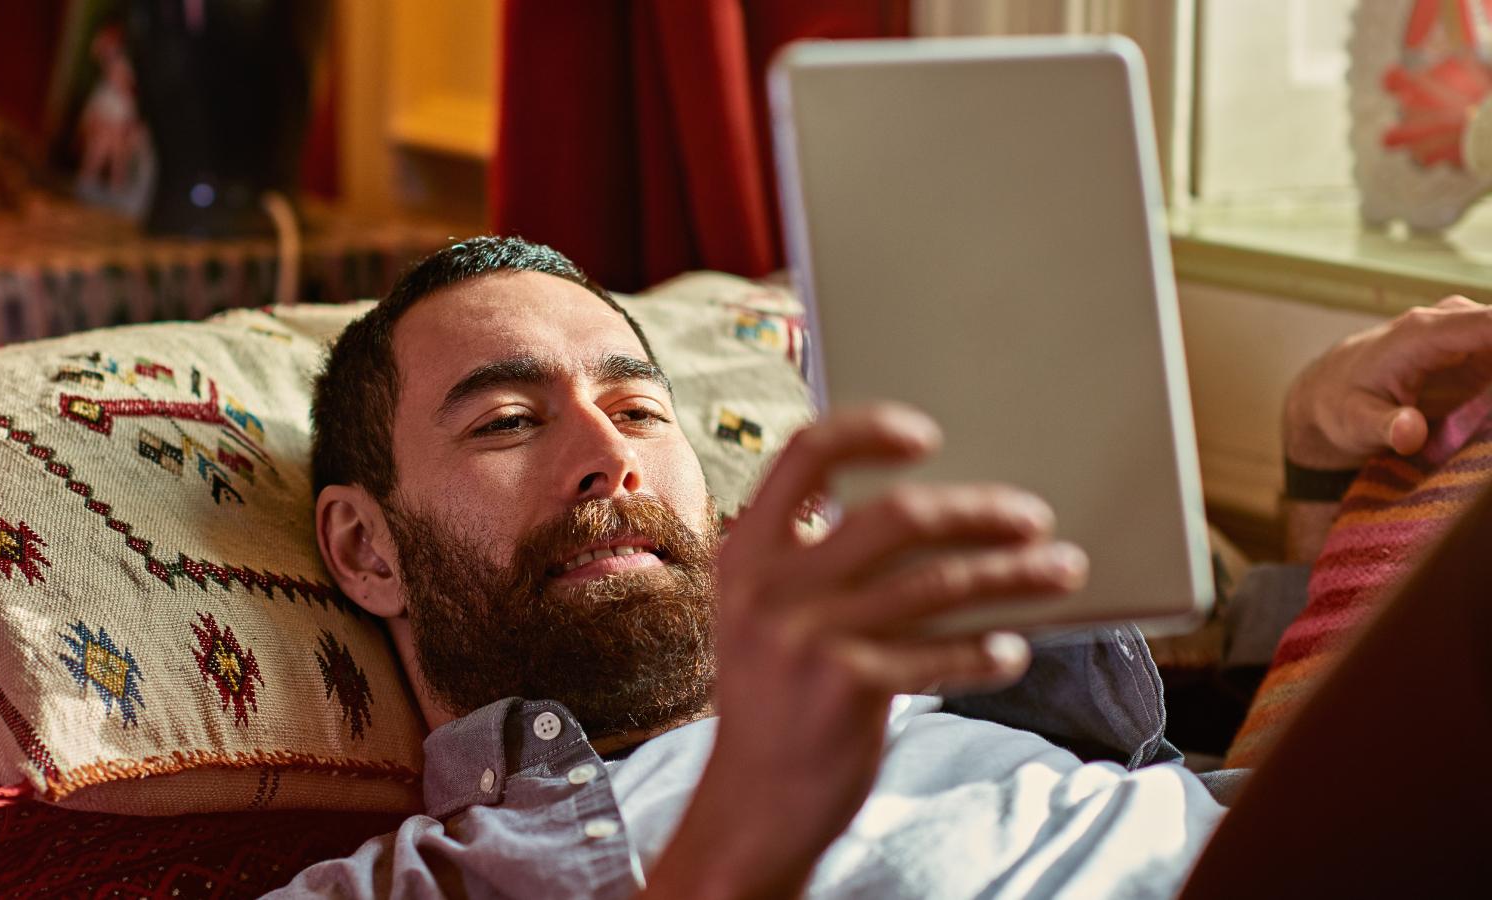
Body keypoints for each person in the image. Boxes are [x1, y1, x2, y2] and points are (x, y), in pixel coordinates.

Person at [269, 236, 1492, 899]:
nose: (610, 457)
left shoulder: (953, 678)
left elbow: (1282, 789)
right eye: (506, 423)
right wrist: (737, 843)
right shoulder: (424, 884)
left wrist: (1318, 474)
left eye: (639, 410)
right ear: (366, 547)